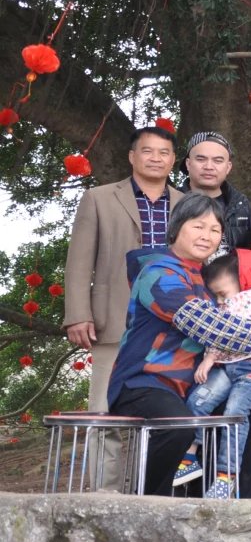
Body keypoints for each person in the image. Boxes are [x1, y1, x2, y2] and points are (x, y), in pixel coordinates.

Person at [106, 194, 251, 497]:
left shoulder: (206, 279)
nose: (207, 235)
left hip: (195, 384)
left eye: (215, 230)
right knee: (178, 425)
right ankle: (147, 505)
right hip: (146, 382)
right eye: (198, 226)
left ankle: (246, 507)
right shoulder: (158, 271)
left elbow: (246, 315)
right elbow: (199, 321)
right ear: (176, 227)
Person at [64, 126, 183, 410]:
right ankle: (103, 443)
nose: (156, 158)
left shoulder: (187, 203)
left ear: (172, 159)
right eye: (147, 151)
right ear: (132, 156)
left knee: (169, 409)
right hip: (115, 315)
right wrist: (78, 315)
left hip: (174, 319)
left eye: (163, 152)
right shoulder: (99, 198)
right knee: (104, 408)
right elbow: (79, 262)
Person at [178, 253, 251, 497]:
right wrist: (211, 357)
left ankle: (226, 475)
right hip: (228, 365)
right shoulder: (227, 305)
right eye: (216, 296)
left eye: (223, 294)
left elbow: (232, 331)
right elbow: (222, 332)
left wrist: (210, 357)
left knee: (235, 411)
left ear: (243, 281)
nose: (220, 301)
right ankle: (189, 455)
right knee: (198, 400)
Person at [180, 132, 251, 255]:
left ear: (228, 167)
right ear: (188, 164)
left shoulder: (241, 204)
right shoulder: (173, 200)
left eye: (218, 161)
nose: (209, 166)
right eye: (201, 159)